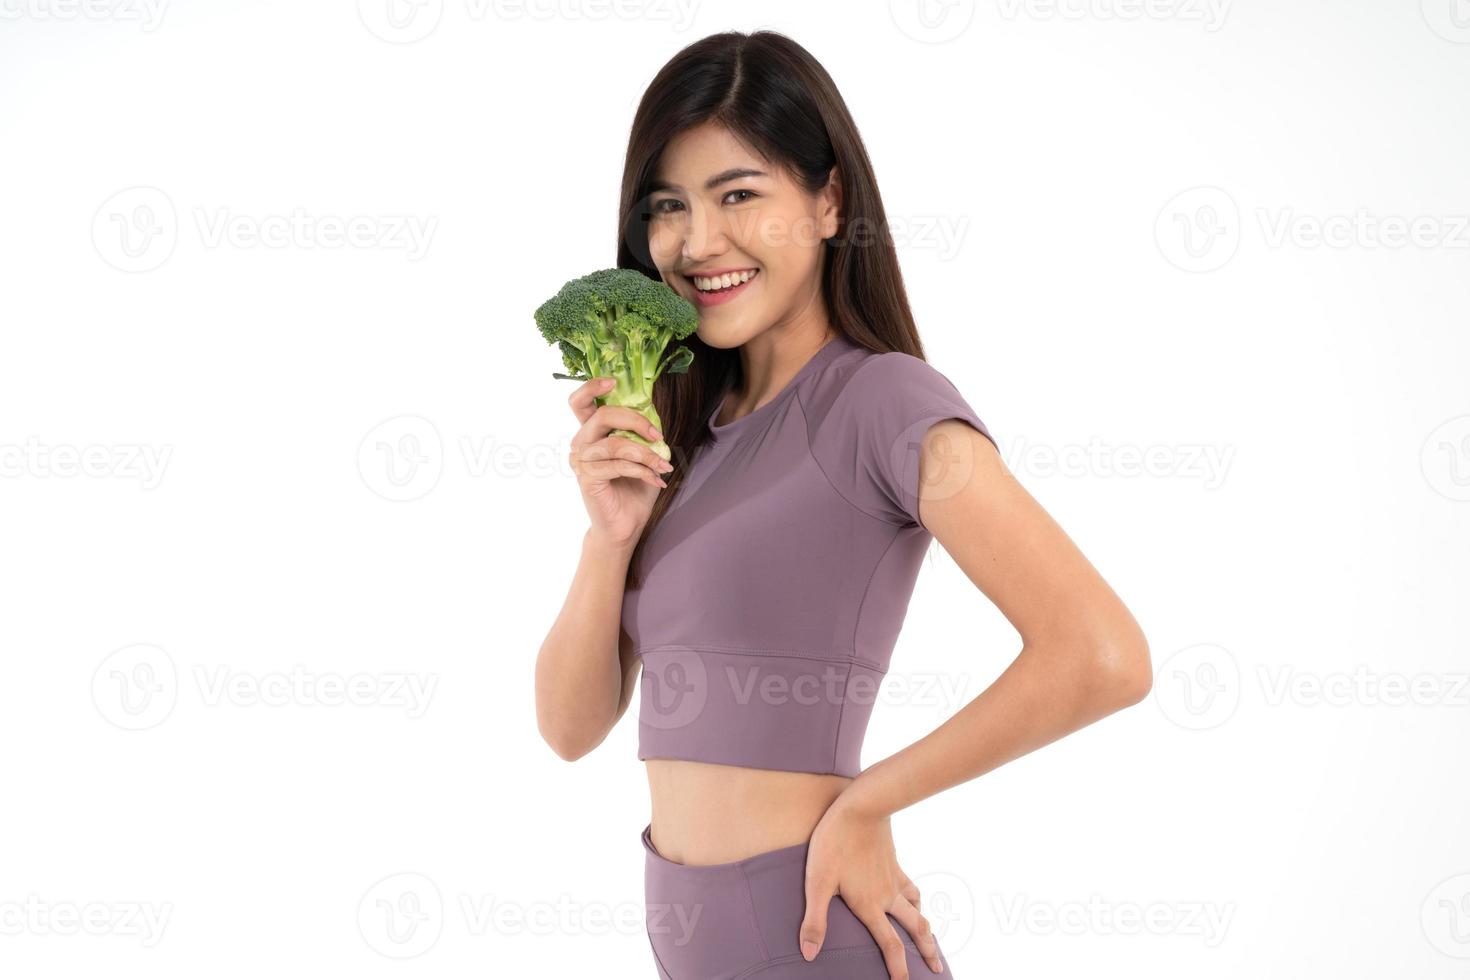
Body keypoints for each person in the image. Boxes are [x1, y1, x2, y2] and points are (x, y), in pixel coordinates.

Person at [535, 29, 1152, 980]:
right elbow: (570, 729)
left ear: (829, 202)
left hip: (813, 939)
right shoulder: (689, 436)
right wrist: (608, 537)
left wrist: (868, 803)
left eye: (739, 194)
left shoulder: (883, 401)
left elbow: (1104, 654)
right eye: (669, 207)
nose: (699, 243)